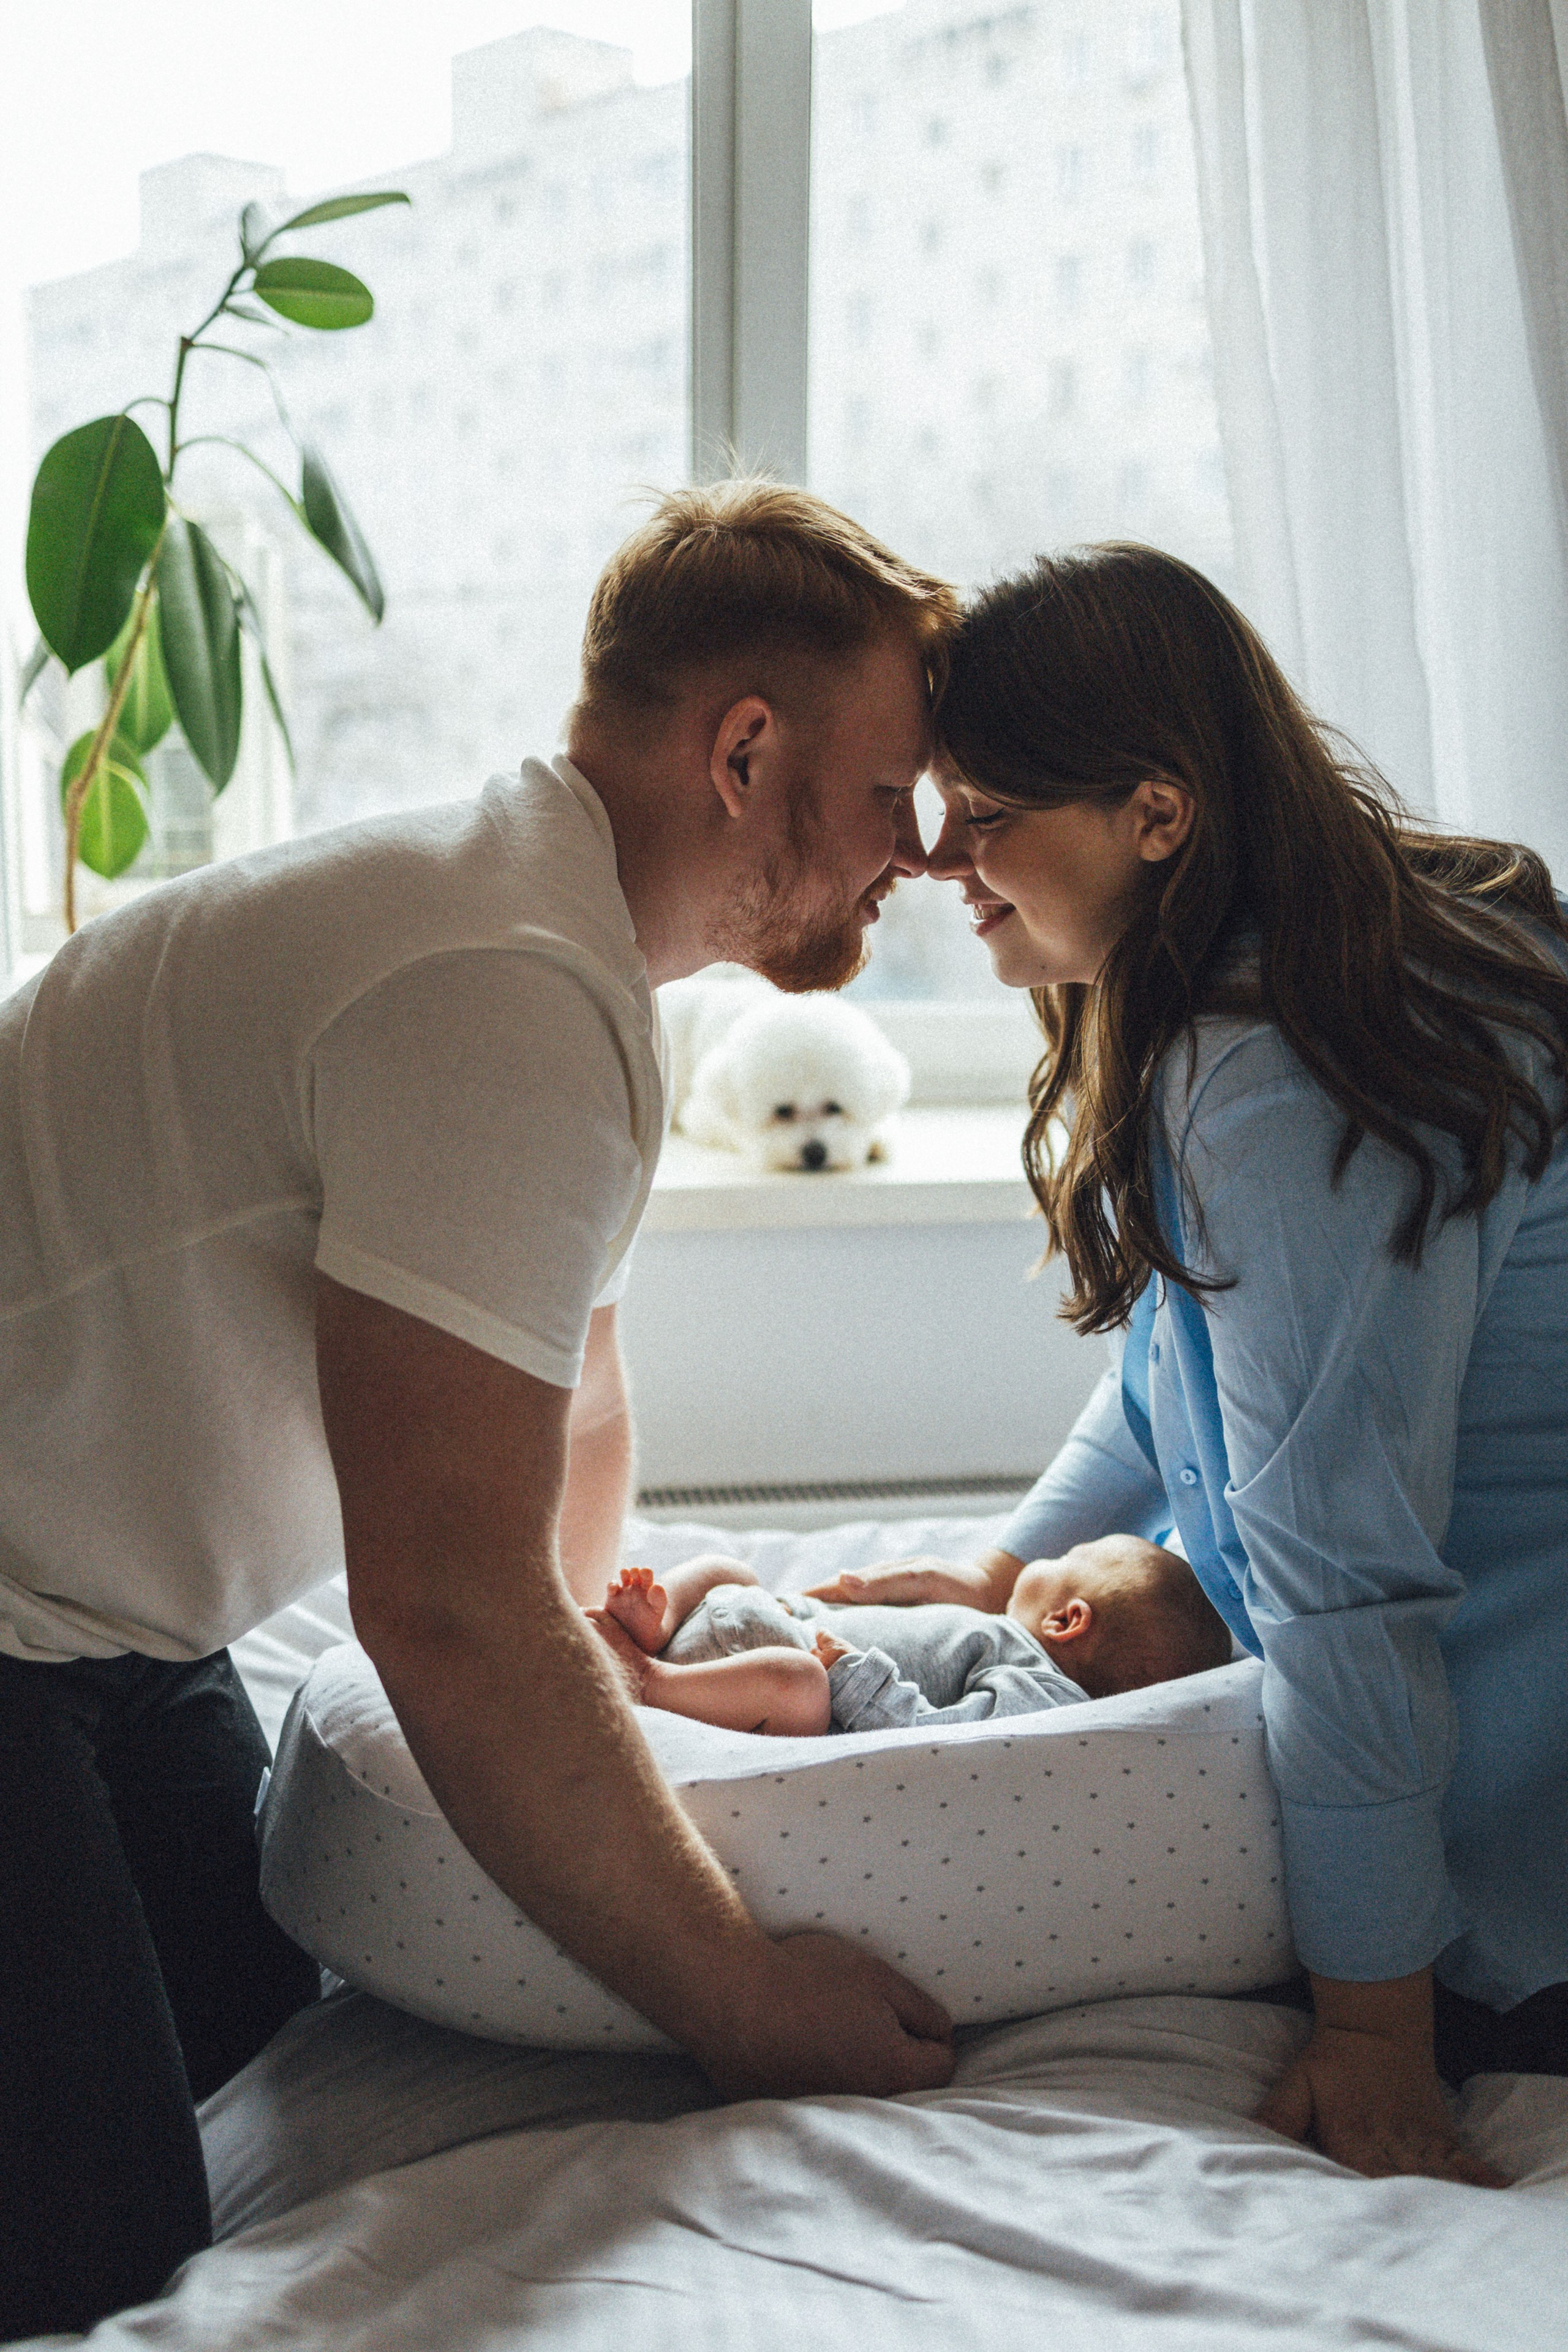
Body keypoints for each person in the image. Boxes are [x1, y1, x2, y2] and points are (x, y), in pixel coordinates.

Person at [0, 481, 964, 2339]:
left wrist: (600, 1655)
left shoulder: (563, 950)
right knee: (90, 2236)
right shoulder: (502, 982)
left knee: (266, 2019)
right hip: (25, 1602)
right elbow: (438, 1600)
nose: (913, 856)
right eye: (885, 796)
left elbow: (575, 1400)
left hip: (106, 1607)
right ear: (743, 750)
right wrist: (743, 1996)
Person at [816, 542, 1568, 2190]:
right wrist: (998, 1567)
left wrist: (1375, 2024)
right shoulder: (1288, 968)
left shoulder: (1292, 1067)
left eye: (986, 813)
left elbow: (1346, 1583)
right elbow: (1189, 1358)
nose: (943, 858)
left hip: (1519, 1829)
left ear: (1158, 814)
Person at [586, 1538, 1232, 1736]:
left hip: (773, 1681)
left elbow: (944, 1737)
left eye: (1070, 1555)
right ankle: (657, 1627)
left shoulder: (1044, 1692)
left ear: (1068, 1619)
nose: (1051, 1555)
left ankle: (647, 1679)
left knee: (798, 1685)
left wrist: (851, 1677)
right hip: (762, 1626)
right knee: (729, 1571)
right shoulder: (999, 1633)